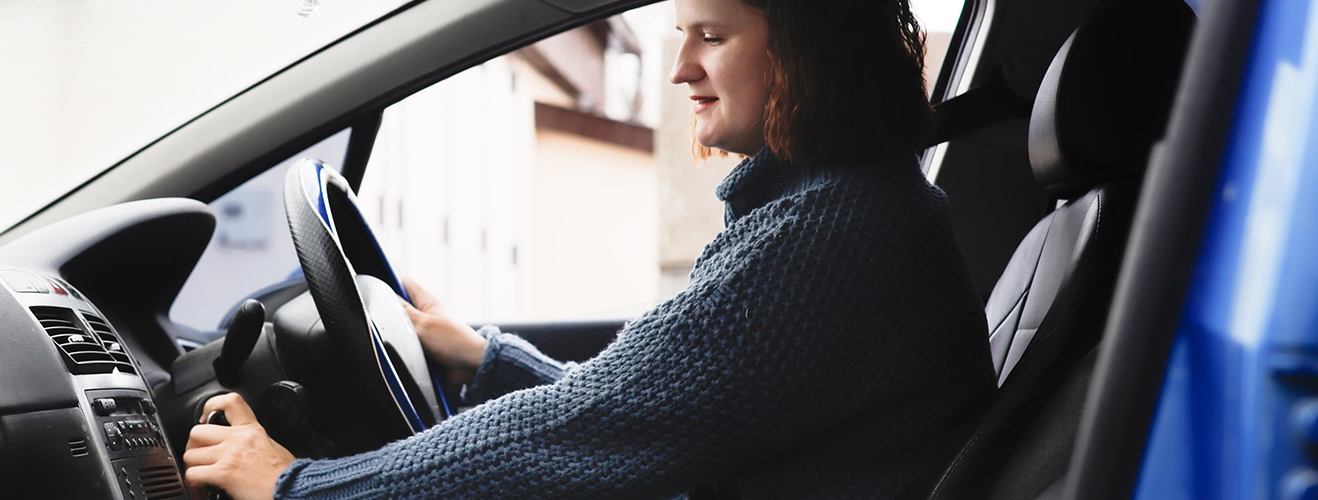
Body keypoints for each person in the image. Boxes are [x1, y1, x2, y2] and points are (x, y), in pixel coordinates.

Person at [182, 0, 995, 497]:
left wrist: (297, 488)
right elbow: (655, 415)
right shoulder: (851, 204)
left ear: (811, 55)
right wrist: (481, 355)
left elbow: (588, 430)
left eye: (711, 35)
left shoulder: (831, 232)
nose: (680, 69)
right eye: (682, 35)